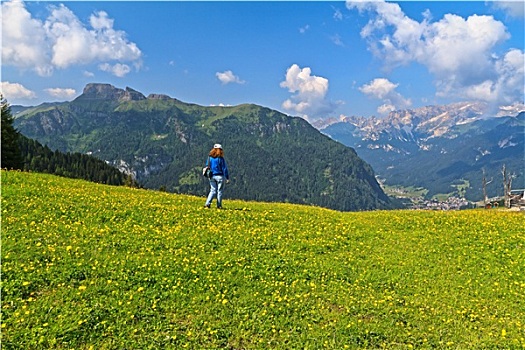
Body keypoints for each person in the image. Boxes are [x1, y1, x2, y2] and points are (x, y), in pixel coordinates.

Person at [204, 144, 230, 209]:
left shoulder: (210, 158)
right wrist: (227, 177)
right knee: (220, 191)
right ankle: (219, 205)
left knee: (212, 190)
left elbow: (207, 165)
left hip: (211, 176)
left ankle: (207, 204)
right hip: (220, 176)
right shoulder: (220, 159)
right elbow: (224, 168)